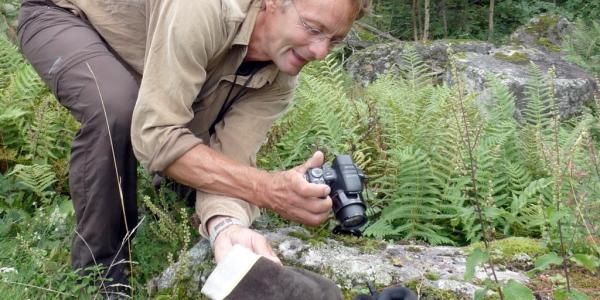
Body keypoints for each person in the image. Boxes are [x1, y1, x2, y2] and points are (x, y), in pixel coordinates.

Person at [17, 0, 369, 294]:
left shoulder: (278, 80)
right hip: (66, 16)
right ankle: (100, 276)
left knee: (191, 152)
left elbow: (232, 159)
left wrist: (225, 226)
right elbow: (157, 136)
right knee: (117, 109)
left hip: (149, 53)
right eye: (312, 28)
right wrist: (266, 188)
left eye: (334, 40)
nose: (321, 52)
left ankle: (172, 207)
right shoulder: (204, 9)